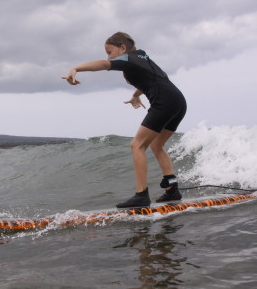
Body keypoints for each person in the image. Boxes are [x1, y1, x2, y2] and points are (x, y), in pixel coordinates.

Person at [62, 32, 187, 208]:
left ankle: (141, 195)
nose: (108, 56)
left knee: (137, 145)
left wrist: (76, 68)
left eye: (109, 51)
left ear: (122, 48)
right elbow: (153, 78)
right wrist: (136, 95)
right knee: (156, 145)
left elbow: (103, 64)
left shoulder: (128, 59)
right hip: (178, 101)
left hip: (164, 102)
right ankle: (172, 189)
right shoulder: (141, 56)